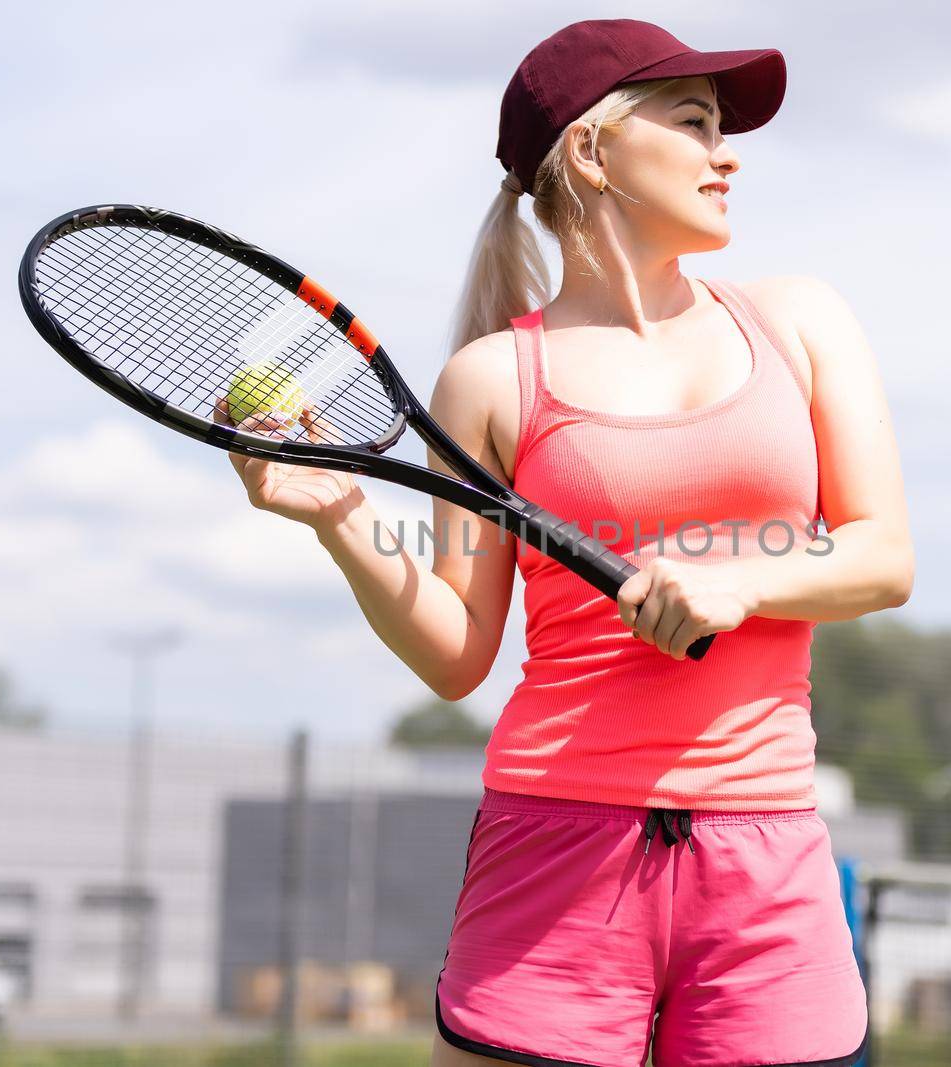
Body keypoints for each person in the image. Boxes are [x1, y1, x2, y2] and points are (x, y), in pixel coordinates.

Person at [227, 17, 913, 1067]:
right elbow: (458, 650)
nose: (726, 152)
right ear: (591, 150)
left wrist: (737, 582)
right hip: (555, 850)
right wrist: (343, 518)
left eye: (721, 128)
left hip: (765, 851)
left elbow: (880, 557)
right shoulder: (492, 378)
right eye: (692, 122)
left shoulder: (801, 321)